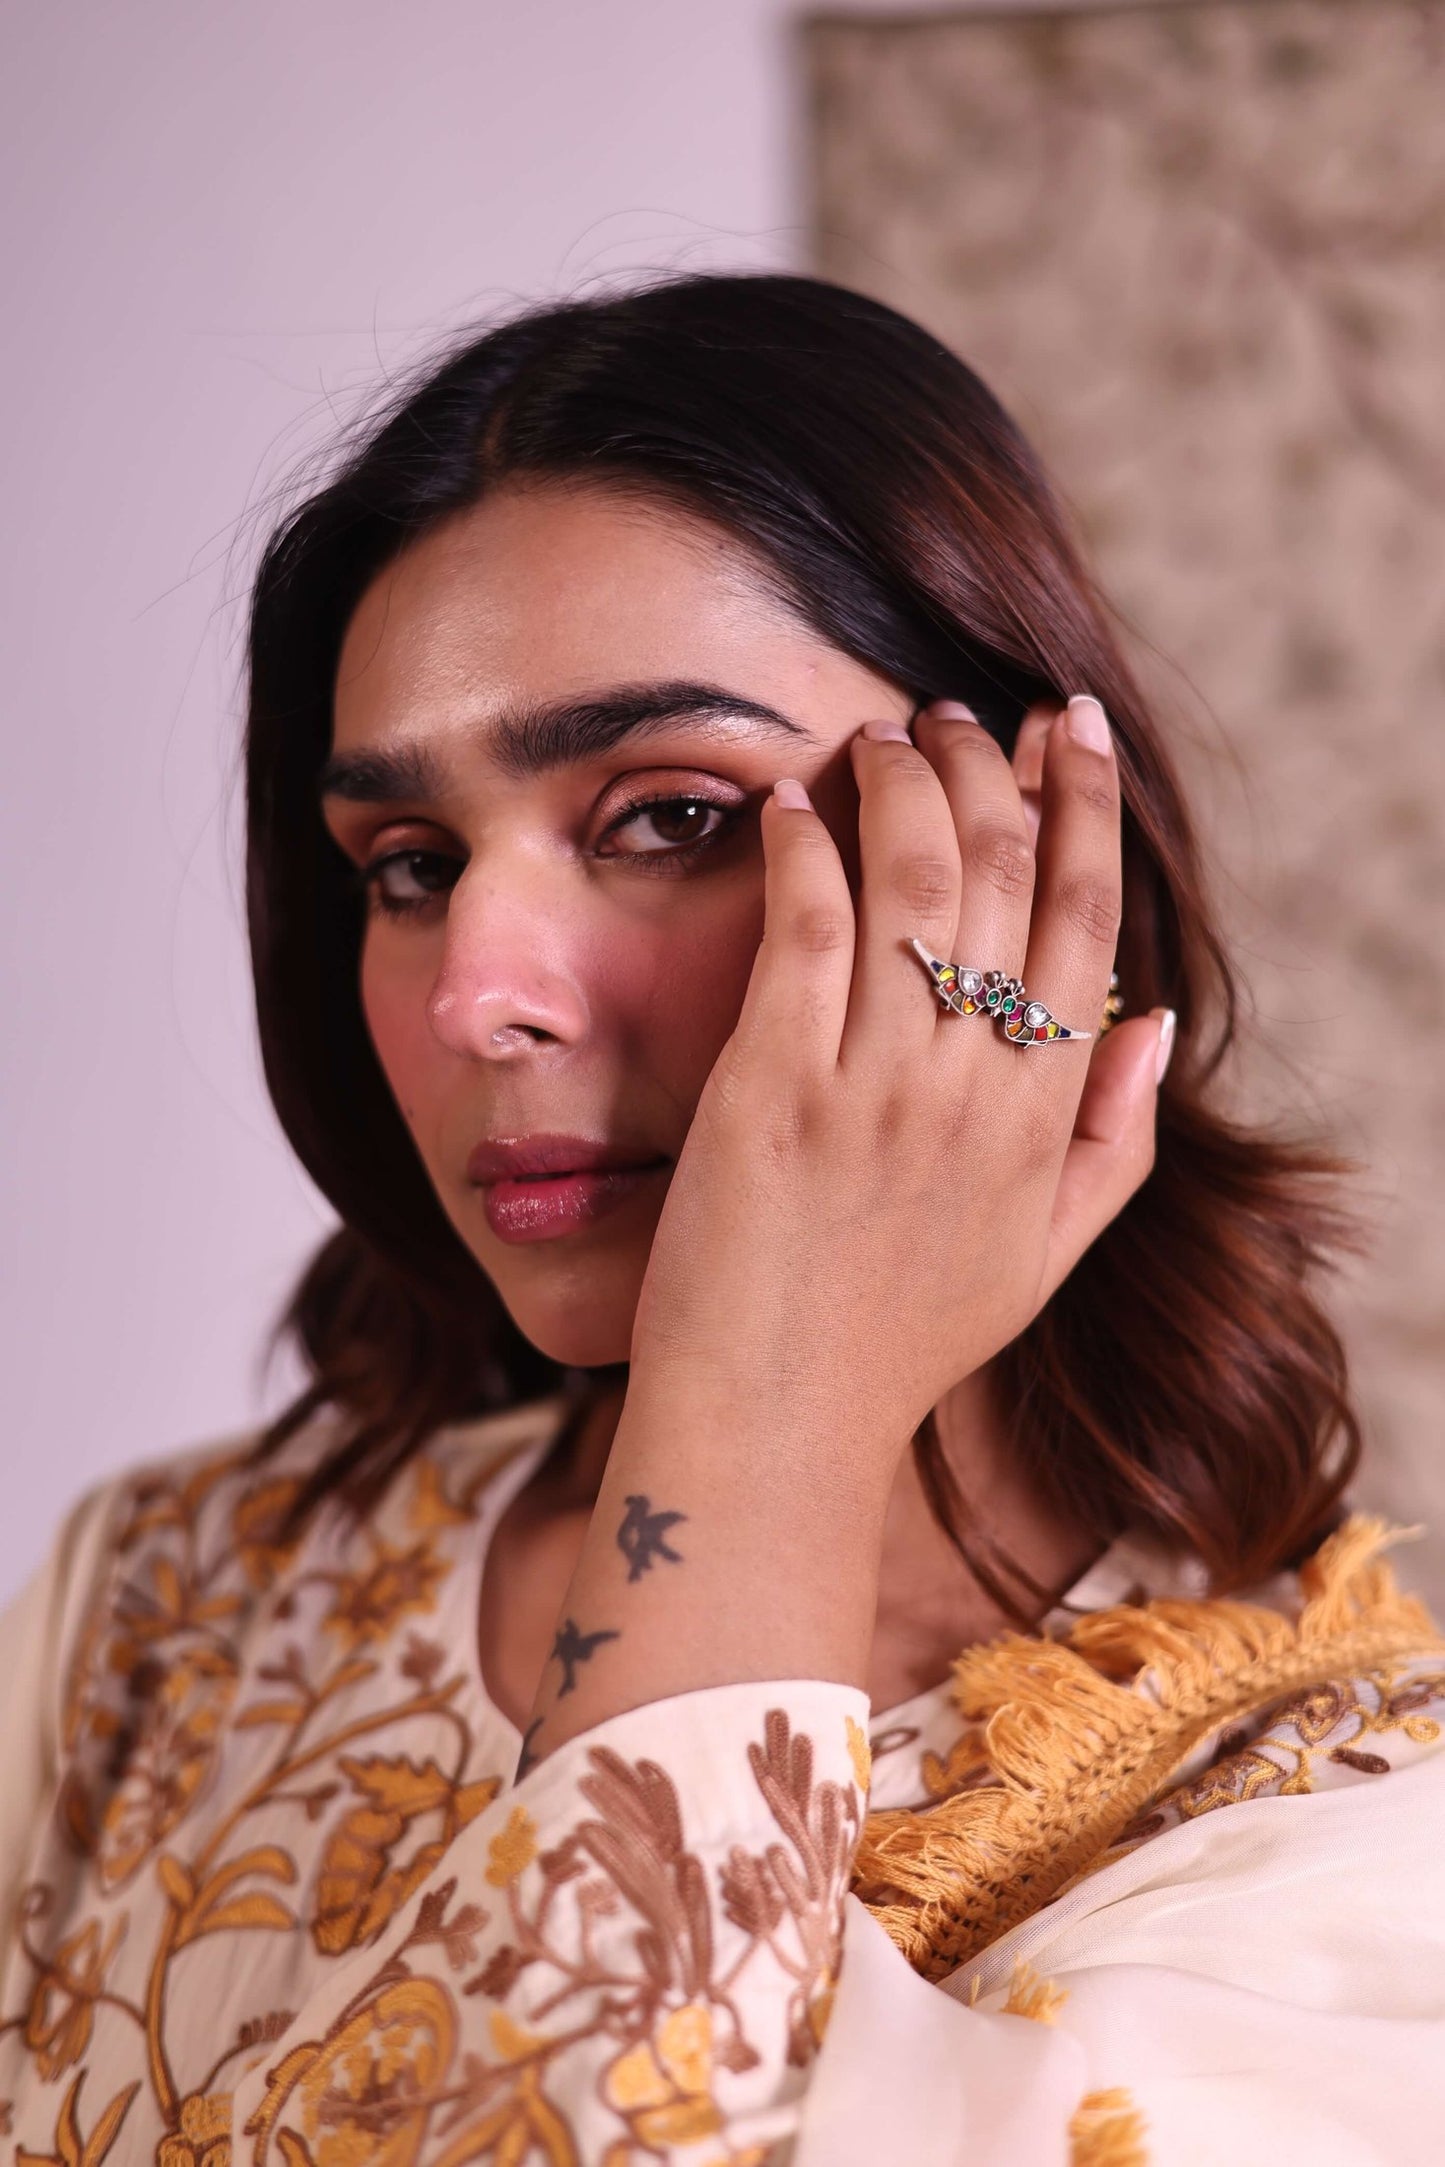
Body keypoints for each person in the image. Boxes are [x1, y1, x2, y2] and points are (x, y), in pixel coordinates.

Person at [2, 272, 1442, 2167]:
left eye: (667, 817)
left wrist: (770, 1406)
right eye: (409, 866)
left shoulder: (1336, 1840)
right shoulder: (170, 1606)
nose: (474, 995)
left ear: (1024, 874)